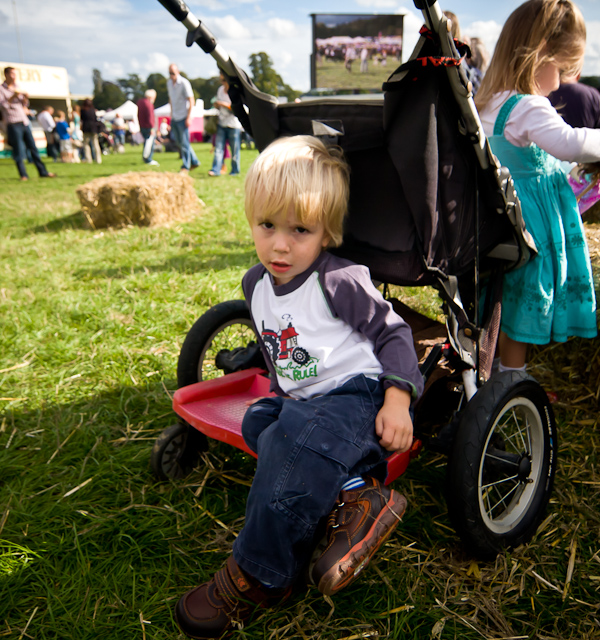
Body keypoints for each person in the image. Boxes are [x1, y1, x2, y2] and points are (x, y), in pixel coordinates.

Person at [173, 135, 424, 639]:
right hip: (304, 404)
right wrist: (282, 396)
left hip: (356, 396)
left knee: (291, 442)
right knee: (260, 421)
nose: (280, 244)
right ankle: (357, 498)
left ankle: (257, 576)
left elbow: (393, 333)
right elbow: (274, 347)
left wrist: (398, 397)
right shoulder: (255, 285)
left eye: (300, 229)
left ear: (326, 233)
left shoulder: (339, 280)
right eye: (267, 225)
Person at [473, 0, 600, 373]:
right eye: (562, 68)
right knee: (523, 311)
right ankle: (512, 384)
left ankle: (487, 375)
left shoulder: (488, 101)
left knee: (502, 304)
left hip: (500, 220)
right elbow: (569, 143)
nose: (563, 80)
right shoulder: (528, 104)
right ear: (542, 53)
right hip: (532, 230)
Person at [0, 66, 55, 180]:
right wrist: (12, 97)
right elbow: (3, 106)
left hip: (24, 121)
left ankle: (43, 172)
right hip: (13, 122)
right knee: (18, 149)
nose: (15, 77)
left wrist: (25, 98)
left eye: (16, 74)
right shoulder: (1, 89)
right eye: (13, 74)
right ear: (6, 75)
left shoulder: (17, 87)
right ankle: (23, 175)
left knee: (33, 147)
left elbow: (25, 105)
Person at [167, 63, 200, 172]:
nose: (172, 75)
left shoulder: (184, 83)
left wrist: (189, 117)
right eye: (170, 73)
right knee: (179, 142)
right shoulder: (169, 84)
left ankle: (186, 165)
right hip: (175, 117)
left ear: (178, 72)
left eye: (173, 73)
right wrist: (171, 115)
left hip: (183, 117)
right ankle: (194, 161)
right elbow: (171, 100)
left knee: (184, 142)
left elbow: (191, 100)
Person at [209, 72, 242, 177]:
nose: (222, 82)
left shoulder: (235, 91)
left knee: (234, 149)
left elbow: (237, 108)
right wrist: (217, 105)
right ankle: (215, 170)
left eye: (224, 80)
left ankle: (235, 170)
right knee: (218, 148)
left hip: (233, 124)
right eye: (221, 80)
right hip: (221, 123)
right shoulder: (220, 90)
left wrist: (224, 104)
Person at [137, 88, 159, 166]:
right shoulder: (149, 104)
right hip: (148, 127)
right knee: (150, 143)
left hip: (142, 126)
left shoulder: (140, 102)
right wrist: (152, 128)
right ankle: (148, 159)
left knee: (146, 143)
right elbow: (150, 117)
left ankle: (145, 157)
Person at [80, 98, 102, 164]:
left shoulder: (83, 110)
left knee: (86, 144)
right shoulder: (93, 110)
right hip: (93, 128)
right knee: (95, 144)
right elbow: (95, 119)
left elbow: (82, 120)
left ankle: (88, 159)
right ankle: (98, 159)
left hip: (86, 128)